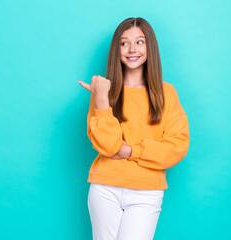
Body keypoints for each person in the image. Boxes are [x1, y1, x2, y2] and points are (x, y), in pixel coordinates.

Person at [78, 17, 190, 240]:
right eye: (123, 43)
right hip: (105, 187)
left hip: (147, 191)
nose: (131, 49)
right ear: (116, 49)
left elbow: (177, 146)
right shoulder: (103, 91)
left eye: (139, 42)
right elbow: (108, 146)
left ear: (150, 47)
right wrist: (101, 100)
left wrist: (131, 151)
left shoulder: (167, 93)